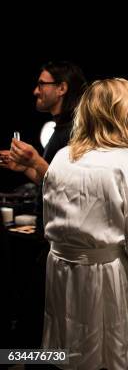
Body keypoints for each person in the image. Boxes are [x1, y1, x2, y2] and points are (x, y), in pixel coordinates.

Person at [42, 78, 128, 369]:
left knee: (68, 351)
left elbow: (49, 220)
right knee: (110, 355)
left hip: (63, 275)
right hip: (109, 281)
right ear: (125, 116)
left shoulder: (61, 159)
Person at [0, 61, 87, 351]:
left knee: (36, 327)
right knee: (34, 326)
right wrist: (24, 167)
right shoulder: (60, 127)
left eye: (42, 84)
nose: (35, 90)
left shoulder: (75, 130)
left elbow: (72, 188)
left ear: (61, 88)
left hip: (61, 245)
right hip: (48, 241)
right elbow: (49, 181)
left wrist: (35, 161)